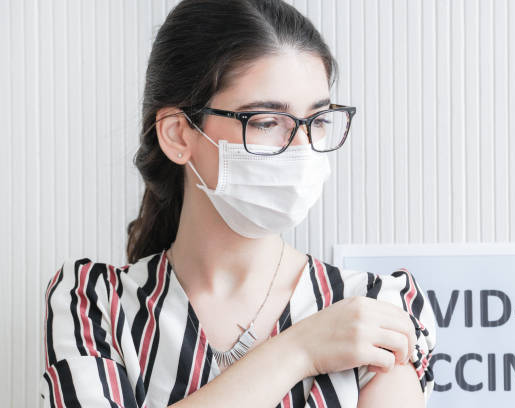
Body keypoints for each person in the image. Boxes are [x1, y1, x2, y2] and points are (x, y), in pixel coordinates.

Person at [39, 0, 436, 406]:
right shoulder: (95, 304)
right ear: (178, 135)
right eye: (266, 122)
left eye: (317, 121)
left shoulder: (370, 309)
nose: (303, 150)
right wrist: (298, 351)